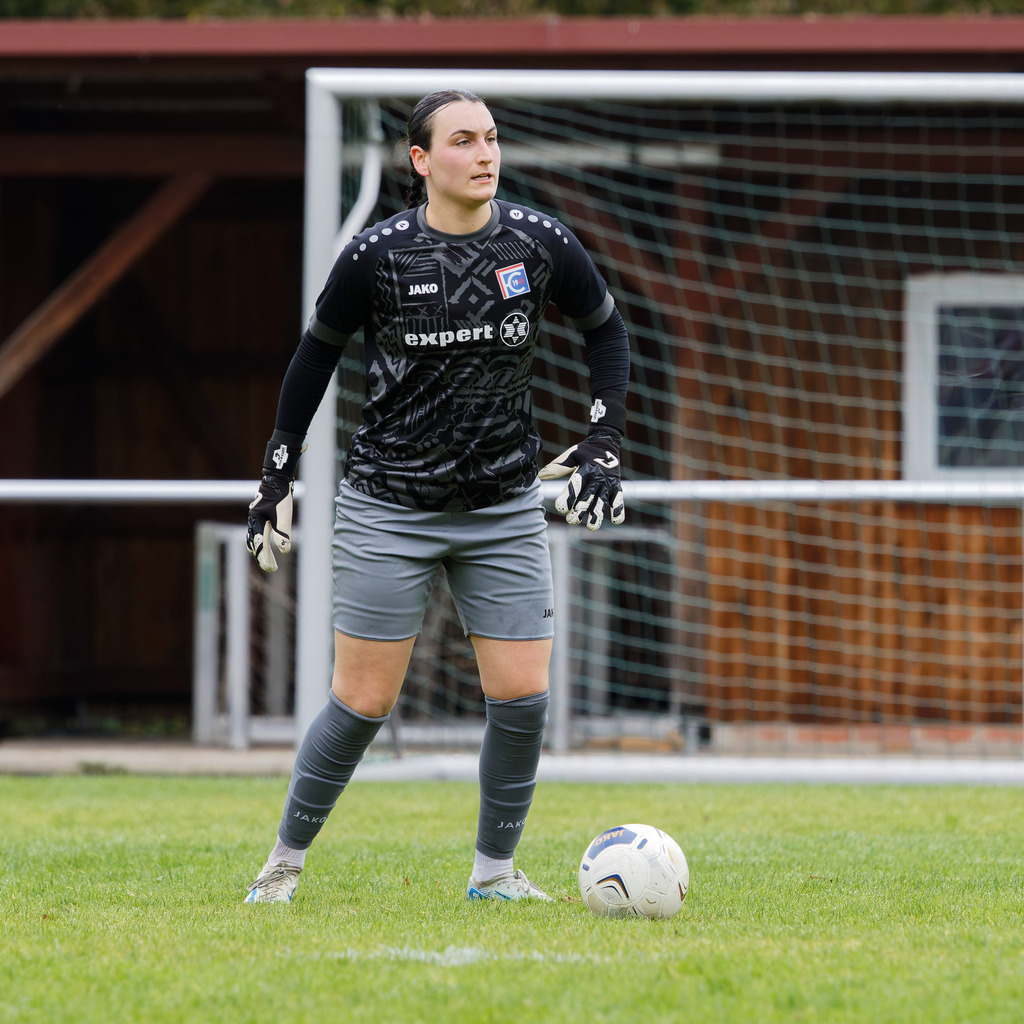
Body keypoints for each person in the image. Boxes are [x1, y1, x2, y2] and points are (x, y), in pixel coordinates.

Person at [243, 89, 631, 904]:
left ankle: (495, 875)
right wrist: (277, 472)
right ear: (421, 161)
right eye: (463, 141)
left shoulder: (540, 240)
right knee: (361, 703)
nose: (485, 154)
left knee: (523, 699)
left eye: (491, 138)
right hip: (389, 505)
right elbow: (314, 359)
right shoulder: (376, 255)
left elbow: (607, 329)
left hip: (503, 506)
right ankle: (282, 865)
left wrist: (603, 439)